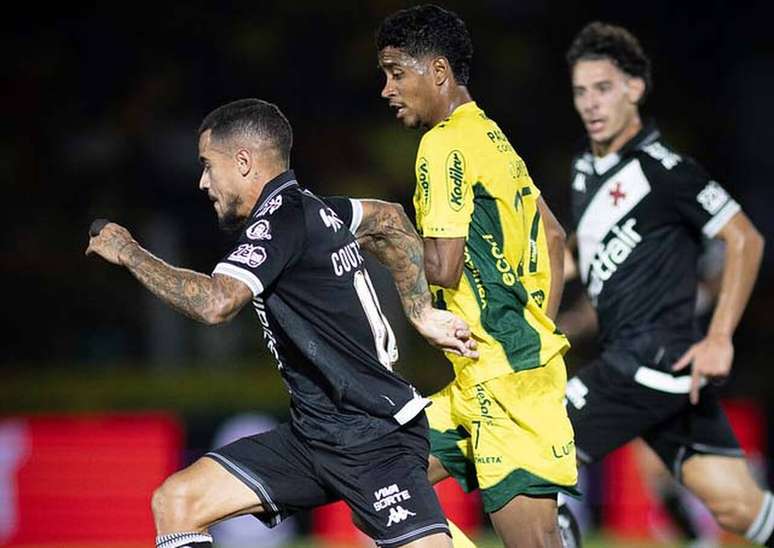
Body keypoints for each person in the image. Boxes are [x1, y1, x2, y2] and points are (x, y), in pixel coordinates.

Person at [86, 98, 480, 548]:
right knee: (178, 501)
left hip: (374, 439)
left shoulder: (280, 220)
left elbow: (216, 303)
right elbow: (388, 219)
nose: (203, 182)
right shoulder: (315, 211)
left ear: (243, 162)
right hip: (313, 436)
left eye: (208, 165)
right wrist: (420, 312)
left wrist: (129, 253)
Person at [559, 21, 773, 546]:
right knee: (738, 506)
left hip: (648, 359)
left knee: (537, 448)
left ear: (634, 88)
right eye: (581, 91)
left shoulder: (666, 170)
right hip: (651, 368)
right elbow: (583, 257)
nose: (590, 103)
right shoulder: (586, 166)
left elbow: (745, 239)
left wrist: (719, 337)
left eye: (603, 88)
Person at [376, 5, 579, 547]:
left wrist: (382, 233)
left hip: (505, 385)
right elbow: (554, 236)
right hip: (485, 377)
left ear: (438, 71)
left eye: (396, 73)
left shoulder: (442, 144)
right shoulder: (489, 135)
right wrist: (532, 333)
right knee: (381, 489)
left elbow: (443, 267)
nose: (387, 89)